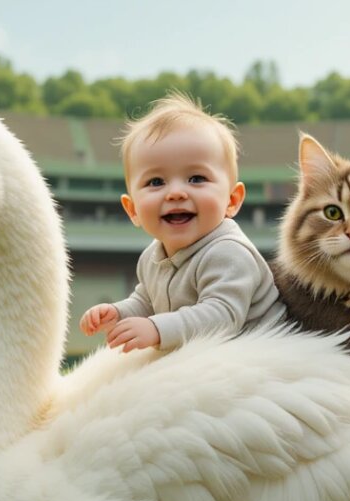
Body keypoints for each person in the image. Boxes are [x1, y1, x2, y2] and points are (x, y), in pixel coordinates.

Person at [79, 92, 284, 352]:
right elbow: (147, 301)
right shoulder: (151, 257)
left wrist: (156, 328)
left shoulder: (228, 252)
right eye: (156, 182)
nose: (175, 192)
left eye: (196, 178)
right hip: (210, 358)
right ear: (133, 210)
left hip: (261, 355)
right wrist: (118, 313)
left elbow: (222, 315)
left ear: (232, 200)